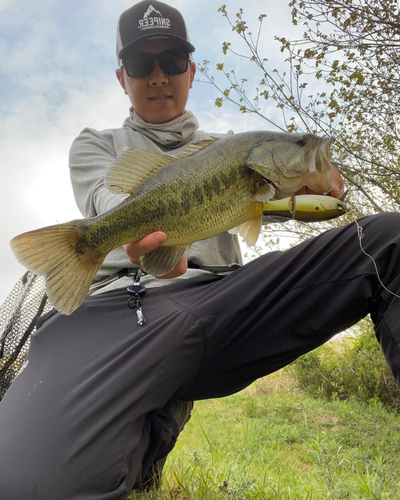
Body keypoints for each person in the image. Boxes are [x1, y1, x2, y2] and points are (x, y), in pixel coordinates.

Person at [1, 1, 400, 498]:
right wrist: (131, 235)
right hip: (114, 309)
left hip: (221, 303)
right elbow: (108, 200)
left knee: (387, 240)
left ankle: (150, 414)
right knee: (24, 485)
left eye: (171, 62)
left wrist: (314, 189)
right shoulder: (96, 143)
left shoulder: (229, 147)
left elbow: (276, 206)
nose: (158, 76)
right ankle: (146, 432)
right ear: (122, 77)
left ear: (191, 70)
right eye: (141, 65)